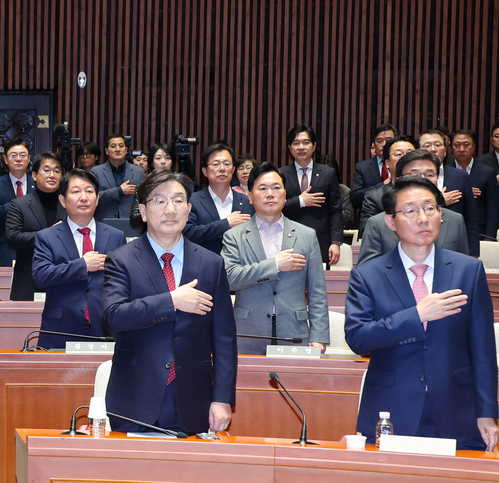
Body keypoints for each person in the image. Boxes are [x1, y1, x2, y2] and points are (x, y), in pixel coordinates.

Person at [344, 175, 499, 451]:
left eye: (430, 208)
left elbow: (483, 348)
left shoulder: (468, 270)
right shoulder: (367, 275)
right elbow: (358, 338)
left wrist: (486, 411)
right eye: (410, 211)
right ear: (391, 222)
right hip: (391, 411)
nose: (423, 218)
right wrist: (417, 315)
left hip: (457, 410)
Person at [102, 171, 237, 436]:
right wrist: (172, 300)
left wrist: (222, 398)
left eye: (178, 200)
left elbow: (224, 339)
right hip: (134, 398)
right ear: (143, 211)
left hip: (193, 399)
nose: (170, 209)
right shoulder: (121, 260)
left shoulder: (211, 263)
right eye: (160, 201)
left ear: (188, 210)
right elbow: (112, 318)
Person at [222, 163, 330, 355]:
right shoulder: (234, 236)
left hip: (294, 332)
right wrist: (275, 265)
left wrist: (319, 335)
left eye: (276, 187)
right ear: (250, 196)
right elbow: (229, 278)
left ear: (285, 194)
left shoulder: (306, 235)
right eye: (262, 188)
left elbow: (317, 291)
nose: (270, 194)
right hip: (248, 333)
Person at [30, 169, 125, 349]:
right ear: (63, 200)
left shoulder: (116, 236)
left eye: (89, 191)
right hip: (60, 328)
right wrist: (82, 265)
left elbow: (123, 282)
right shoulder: (47, 236)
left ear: (97, 199)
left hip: (105, 328)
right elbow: (40, 276)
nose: (83, 197)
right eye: (76, 191)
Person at [359, 149, 471, 262]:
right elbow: (368, 269)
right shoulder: (377, 223)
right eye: (414, 175)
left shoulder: (455, 220)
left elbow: (463, 267)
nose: (422, 179)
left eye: (429, 174)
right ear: (399, 180)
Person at [280, 123, 343, 266]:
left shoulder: (328, 173)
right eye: (296, 143)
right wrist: (300, 201)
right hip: (288, 241)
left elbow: (335, 210)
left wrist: (335, 242)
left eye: (306, 142)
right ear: (290, 148)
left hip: (320, 241)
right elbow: (276, 207)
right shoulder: (281, 174)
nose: (301, 147)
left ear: (314, 146)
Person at [6, 153, 65, 301]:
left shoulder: (70, 204)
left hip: (63, 278)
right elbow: (13, 238)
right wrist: (49, 234)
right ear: (34, 175)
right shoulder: (19, 204)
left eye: (57, 171)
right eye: (46, 170)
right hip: (28, 279)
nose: (52, 175)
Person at [418, 129, 479, 254]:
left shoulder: (460, 176)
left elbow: (471, 218)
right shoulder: (411, 176)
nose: (433, 149)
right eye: (427, 146)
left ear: (445, 151)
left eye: (438, 145)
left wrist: (473, 253)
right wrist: (440, 201)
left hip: (452, 243)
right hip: (418, 240)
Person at [185, 142, 252, 255]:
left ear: (233, 169)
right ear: (205, 171)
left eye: (226, 164)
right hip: (204, 262)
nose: (222, 168)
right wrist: (225, 224)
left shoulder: (246, 201)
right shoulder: (193, 201)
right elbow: (188, 234)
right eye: (216, 164)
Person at [0, 138, 32, 267]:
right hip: (3, 250)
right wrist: (16, 205)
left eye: (22, 155)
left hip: (33, 249)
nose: (18, 159)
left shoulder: (37, 184)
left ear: (29, 159)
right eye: (13, 155)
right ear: (5, 159)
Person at [450, 128, 499, 244]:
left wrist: (490, 236)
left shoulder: (487, 172)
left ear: (474, 147)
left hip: (479, 230)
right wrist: (465, 193)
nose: (461, 149)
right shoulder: (446, 170)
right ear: (451, 147)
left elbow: (493, 207)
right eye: (457, 145)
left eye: (466, 145)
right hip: (452, 228)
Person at [92, 134, 145, 220]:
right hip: (104, 221)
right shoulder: (96, 171)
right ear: (106, 151)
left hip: (132, 222)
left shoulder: (138, 172)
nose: (117, 149)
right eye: (113, 146)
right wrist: (119, 190)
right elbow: (93, 197)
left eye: (121, 146)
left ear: (126, 150)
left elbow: (144, 199)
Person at [350, 123, 398, 209]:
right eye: (379, 141)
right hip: (371, 213)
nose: (384, 144)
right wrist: (383, 185)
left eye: (388, 140)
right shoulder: (363, 167)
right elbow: (355, 197)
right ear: (374, 144)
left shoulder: (403, 163)